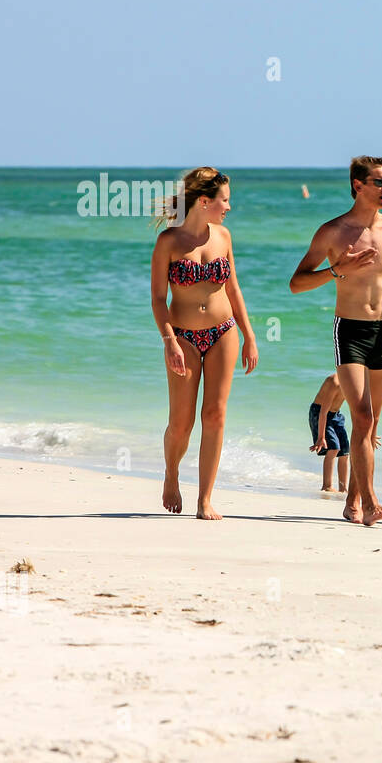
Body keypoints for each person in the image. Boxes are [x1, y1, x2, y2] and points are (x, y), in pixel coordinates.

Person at [289, 155, 382, 526]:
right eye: (379, 183)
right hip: (350, 331)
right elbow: (297, 282)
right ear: (358, 185)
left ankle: (353, 502)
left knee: (369, 426)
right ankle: (371, 504)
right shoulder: (333, 231)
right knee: (362, 415)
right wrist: (338, 270)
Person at [149, 167, 259, 520]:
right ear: (203, 201)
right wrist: (170, 343)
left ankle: (205, 499)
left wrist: (249, 335)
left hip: (222, 331)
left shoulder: (224, 237)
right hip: (183, 337)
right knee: (181, 423)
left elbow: (234, 289)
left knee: (214, 415)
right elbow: (157, 299)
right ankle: (171, 474)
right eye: (224, 200)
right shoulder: (168, 242)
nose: (228, 207)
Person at [308, 374, 350, 492]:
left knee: (345, 452)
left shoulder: (353, 383)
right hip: (319, 413)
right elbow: (323, 412)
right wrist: (321, 437)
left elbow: (356, 409)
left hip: (336, 415)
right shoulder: (334, 381)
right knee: (333, 448)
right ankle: (327, 486)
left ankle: (343, 488)